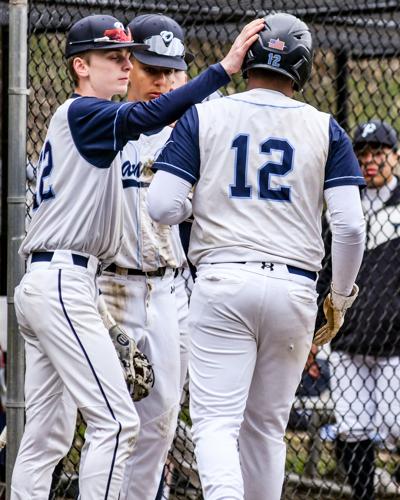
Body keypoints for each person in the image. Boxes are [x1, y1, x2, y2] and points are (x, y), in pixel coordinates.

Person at [11, 13, 264, 499]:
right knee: (117, 422)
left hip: (75, 282)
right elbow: (145, 117)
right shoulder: (87, 115)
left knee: (48, 436)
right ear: (80, 65)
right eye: (116, 57)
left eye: (131, 56)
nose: (128, 66)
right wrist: (225, 67)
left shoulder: (97, 120)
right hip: (72, 281)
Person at [147, 12, 366, 500]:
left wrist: (198, 204)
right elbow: (350, 227)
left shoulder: (206, 114)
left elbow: (162, 205)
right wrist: (341, 297)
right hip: (295, 287)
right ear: (303, 68)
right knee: (266, 427)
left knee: (216, 423)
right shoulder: (324, 126)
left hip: (223, 281)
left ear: (247, 60)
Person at [97, 13, 195, 499]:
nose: (163, 82)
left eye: (173, 72)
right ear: (127, 65)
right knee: (112, 422)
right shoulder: (101, 123)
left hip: (170, 286)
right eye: (152, 68)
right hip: (109, 285)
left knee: (160, 421)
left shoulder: (193, 133)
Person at [321, 119, 400, 500]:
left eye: (378, 153)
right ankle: (363, 495)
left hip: (394, 343)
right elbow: (324, 269)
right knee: (353, 427)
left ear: (395, 157)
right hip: (347, 339)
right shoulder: (343, 202)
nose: (370, 161)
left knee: (395, 422)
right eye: (363, 153)